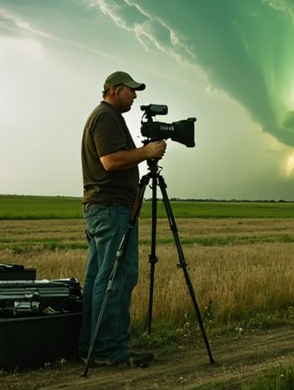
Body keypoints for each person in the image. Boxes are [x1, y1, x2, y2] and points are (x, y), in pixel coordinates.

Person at [79, 70, 167, 367]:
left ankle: (91, 345)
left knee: (99, 277)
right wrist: (146, 151)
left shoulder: (105, 116)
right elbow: (111, 161)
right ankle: (109, 349)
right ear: (114, 90)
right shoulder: (106, 117)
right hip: (112, 209)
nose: (135, 95)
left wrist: (141, 153)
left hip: (103, 208)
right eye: (131, 90)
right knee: (118, 275)